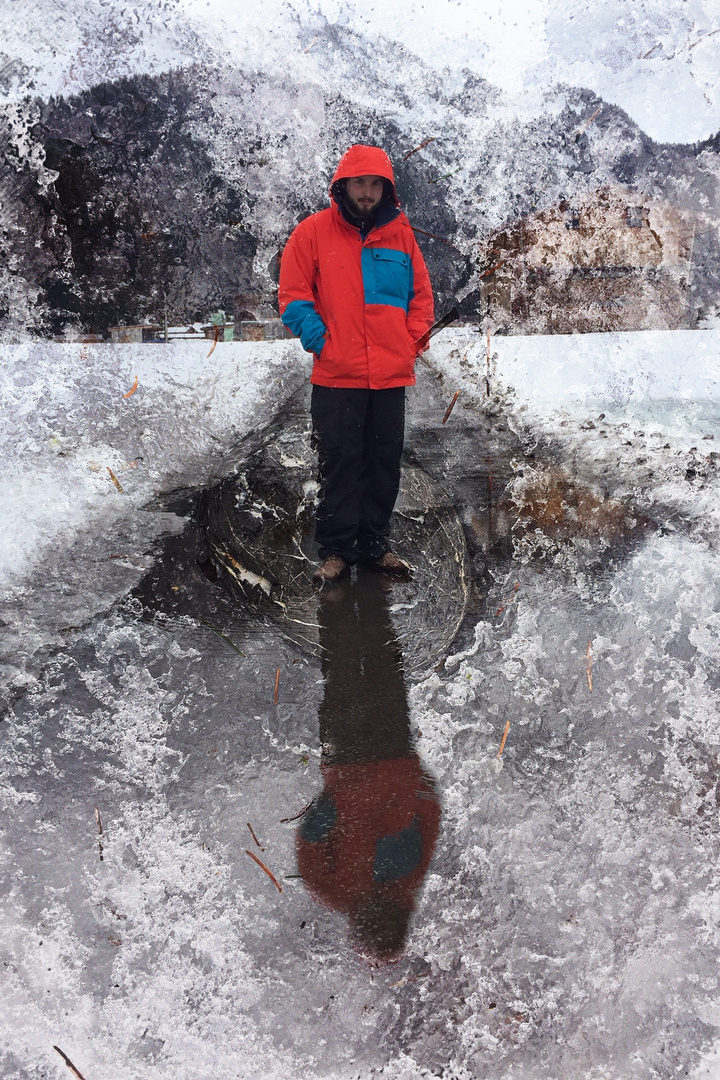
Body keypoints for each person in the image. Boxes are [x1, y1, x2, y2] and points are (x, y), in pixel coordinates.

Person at [278, 144, 434, 583]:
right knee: (340, 463)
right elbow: (293, 297)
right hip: (336, 375)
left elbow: (420, 297)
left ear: (387, 190)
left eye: (376, 184)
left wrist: (409, 343)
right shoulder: (311, 233)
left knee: (382, 463)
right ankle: (337, 552)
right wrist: (321, 342)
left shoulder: (401, 236)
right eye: (359, 182)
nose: (367, 192)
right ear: (342, 185)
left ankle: (374, 547)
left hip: (389, 376)